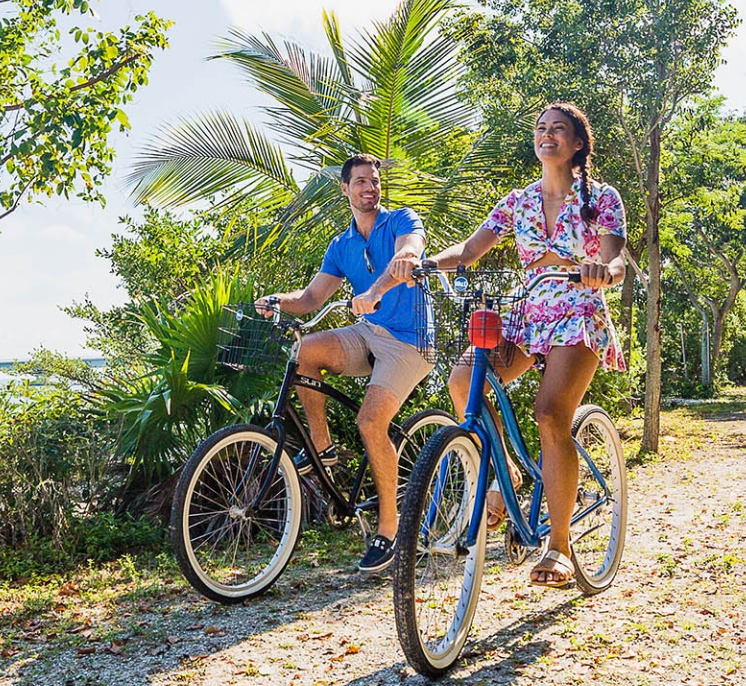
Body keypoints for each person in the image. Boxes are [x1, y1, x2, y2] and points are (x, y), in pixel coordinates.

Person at [395, 103, 627, 588]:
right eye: (541, 129)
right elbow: (469, 249)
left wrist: (603, 270)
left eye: (558, 130)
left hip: (578, 309)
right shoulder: (517, 202)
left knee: (550, 415)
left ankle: (559, 546)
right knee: (464, 381)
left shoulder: (601, 197)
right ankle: (507, 477)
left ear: (578, 143)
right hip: (527, 308)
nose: (546, 136)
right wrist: (427, 265)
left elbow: (615, 255)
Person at [258, 154, 431, 575]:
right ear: (345, 190)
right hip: (368, 332)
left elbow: (409, 252)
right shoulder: (341, 245)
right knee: (306, 352)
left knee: (371, 423)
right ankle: (322, 446)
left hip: (409, 341)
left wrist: (380, 286)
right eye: (360, 182)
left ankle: (389, 530)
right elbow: (311, 299)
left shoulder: (400, 221)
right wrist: (277, 300)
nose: (369, 188)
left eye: (374, 181)